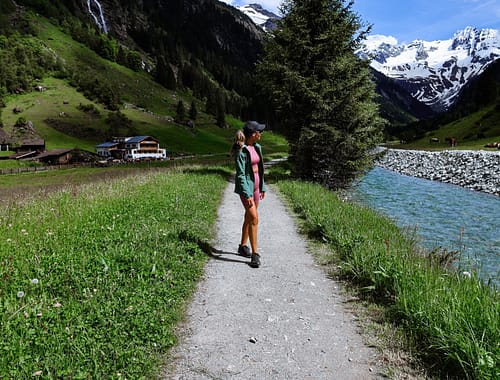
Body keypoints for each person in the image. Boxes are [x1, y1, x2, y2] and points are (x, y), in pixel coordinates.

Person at [232, 121, 266, 268]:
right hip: (247, 189)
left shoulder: (257, 147)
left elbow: (260, 168)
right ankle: (255, 254)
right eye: (259, 131)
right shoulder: (241, 150)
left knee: (248, 216)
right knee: (254, 217)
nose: (261, 133)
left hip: (257, 188)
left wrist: (262, 186)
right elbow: (240, 175)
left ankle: (242, 246)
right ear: (253, 134)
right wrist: (247, 194)